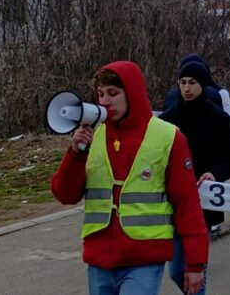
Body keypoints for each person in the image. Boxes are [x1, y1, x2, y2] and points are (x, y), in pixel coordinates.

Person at [51, 61, 208, 295]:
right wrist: (76, 153)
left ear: (132, 93)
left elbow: (187, 204)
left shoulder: (168, 137)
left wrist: (195, 264)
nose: (104, 101)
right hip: (99, 259)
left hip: (143, 259)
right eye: (100, 94)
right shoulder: (93, 136)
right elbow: (65, 194)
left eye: (113, 93)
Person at [160, 61, 230, 294]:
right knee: (176, 270)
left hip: (203, 202)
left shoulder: (219, 119)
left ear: (203, 85)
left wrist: (214, 173)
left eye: (192, 83)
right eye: (183, 83)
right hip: (173, 201)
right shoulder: (168, 119)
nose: (187, 88)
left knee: (196, 269)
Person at [162, 53, 230, 116]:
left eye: (192, 82)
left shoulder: (217, 94)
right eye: (184, 82)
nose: (187, 88)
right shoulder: (215, 94)